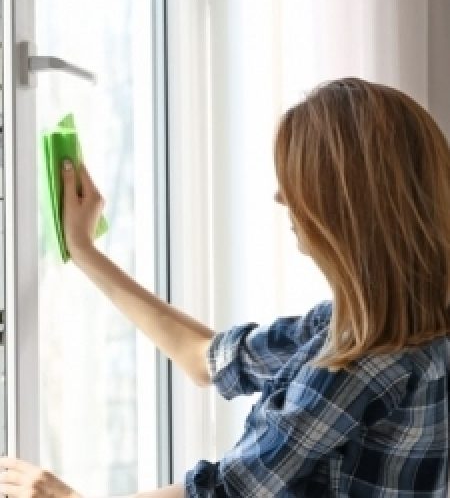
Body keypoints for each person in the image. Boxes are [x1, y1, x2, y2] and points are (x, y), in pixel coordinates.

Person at [0, 77, 448, 497]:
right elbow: (207, 357)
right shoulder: (386, 325)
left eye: (296, 182)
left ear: (342, 208)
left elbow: (223, 493)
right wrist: (85, 252)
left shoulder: (356, 368)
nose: (280, 197)